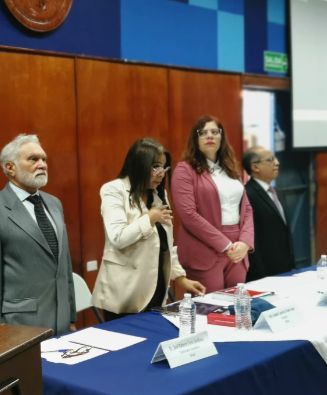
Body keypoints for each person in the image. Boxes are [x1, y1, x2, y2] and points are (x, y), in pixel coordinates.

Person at [0, 134, 76, 335]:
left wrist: (70, 317)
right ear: (10, 168)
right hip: (18, 328)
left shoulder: (54, 204)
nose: (42, 165)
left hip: (61, 323)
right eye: (33, 159)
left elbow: (64, 265)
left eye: (44, 159)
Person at [92, 139, 206, 321]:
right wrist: (150, 218)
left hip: (156, 288)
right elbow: (118, 237)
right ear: (139, 164)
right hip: (125, 291)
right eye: (155, 166)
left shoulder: (159, 195)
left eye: (164, 167)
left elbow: (166, 245)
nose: (161, 173)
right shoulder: (114, 190)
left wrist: (182, 278)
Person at [172, 116, 254, 291]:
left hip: (238, 248)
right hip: (205, 249)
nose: (210, 136)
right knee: (211, 311)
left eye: (214, 132)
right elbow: (188, 215)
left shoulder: (231, 168)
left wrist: (245, 243)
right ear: (196, 139)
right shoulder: (185, 170)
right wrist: (225, 245)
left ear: (221, 137)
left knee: (237, 305)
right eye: (203, 133)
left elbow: (246, 208)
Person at [242, 146, 295, 280]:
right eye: (270, 159)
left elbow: (285, 232)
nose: (277, 163)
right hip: (264, 272)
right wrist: (259, 276)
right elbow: (252, 238)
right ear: (255, 167)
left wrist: (292, 264)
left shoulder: (278, 192)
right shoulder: (248, 194)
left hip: (284, 267)